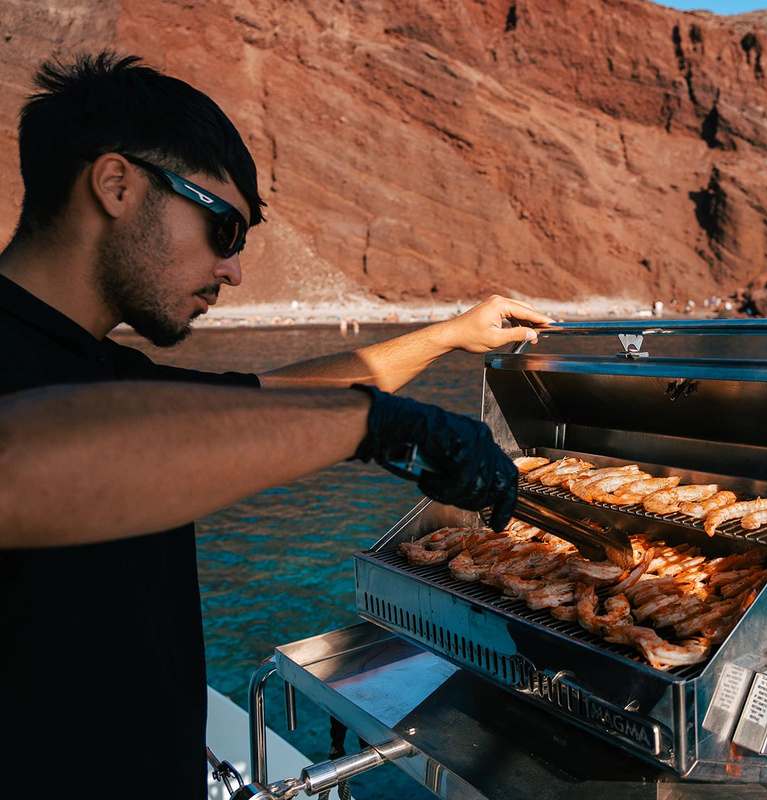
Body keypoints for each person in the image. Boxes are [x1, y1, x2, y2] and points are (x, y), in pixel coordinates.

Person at [0, 51, 553, 795]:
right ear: (116, 184)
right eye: (224, 229)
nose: (233, 272)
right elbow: (18, 465)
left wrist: (449, 335)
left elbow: (268, 396)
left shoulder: (101, 371)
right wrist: (379, 426)